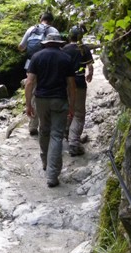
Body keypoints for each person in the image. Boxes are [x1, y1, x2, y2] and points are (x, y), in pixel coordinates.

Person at [24, 29, 76, 188]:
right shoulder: (66, 58)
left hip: (41, 100)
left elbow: (29, 82)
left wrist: (28, 104)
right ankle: (52, 176)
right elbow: (71, 85)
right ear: (59, 43)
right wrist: (71, 107)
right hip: (59, 100)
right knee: (56, 135)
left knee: (44, 130)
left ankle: (45, 162)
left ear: (46, 43)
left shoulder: (36, 56)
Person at [18, 11, 58, 136]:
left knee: (34, 93)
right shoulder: (54, 31)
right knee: (47, 92)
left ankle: (33, 125)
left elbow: (21, 46)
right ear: (51, 20)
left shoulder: (31, 29)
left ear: (40, 19)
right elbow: (58, 50)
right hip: (48, 66)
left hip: (30, 65)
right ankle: (46, 124)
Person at [63, 25, 94, 157]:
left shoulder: (64, 49)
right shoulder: (84, 48)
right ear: (80, 37)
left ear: (70, 36)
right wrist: (89, 75)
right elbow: (90, 66)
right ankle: (74, 142)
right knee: (79, 113)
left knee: (67, 110)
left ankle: (68, 133)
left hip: (65, 84)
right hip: (79, 83)